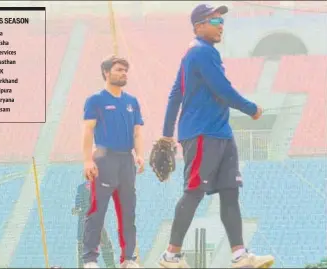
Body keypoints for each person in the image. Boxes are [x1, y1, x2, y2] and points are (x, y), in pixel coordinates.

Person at [158, 3, 275, 269]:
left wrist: (166, 135)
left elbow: (176, 93)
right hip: (202, 133)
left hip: (220, 132)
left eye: (222, 20)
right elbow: (222, 89)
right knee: (194, 191)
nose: (221, 24)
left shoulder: (198, 53)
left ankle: (240, 255)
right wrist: (251, 109)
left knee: (230, 192)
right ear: (198, 25)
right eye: (214, 20)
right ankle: (171, 255)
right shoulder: (200, 52)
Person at [82, 55, 145, 269]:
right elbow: (88, 129)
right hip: (104, 159)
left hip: (126, 161)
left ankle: (128, 259)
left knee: (128, 211)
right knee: (97, 210)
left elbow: (137, 132)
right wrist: (87, 160)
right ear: (106, 73)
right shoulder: (96, 100)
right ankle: (90, 259)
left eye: (126, 70)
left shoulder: (132, 102)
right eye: (119, 70)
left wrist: (139, 154)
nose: (123, 73)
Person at [72, 183, 115, 268]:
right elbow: (78, 204)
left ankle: (111, 266)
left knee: (105, 244)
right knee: (82, 246)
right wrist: (77, 210)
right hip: (87, 221)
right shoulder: (82, 188)